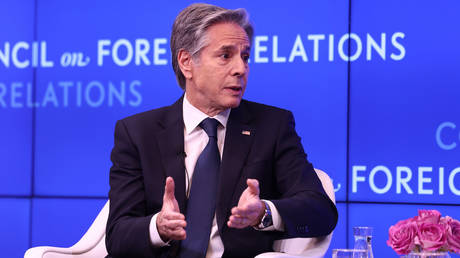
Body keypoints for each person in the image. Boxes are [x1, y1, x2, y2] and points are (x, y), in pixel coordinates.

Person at [106, 3, 338, 258]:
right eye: (225, 55)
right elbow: (117, 234)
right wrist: (158, 227)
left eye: (245, 56)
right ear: (186, 63)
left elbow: (320, 211)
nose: (241, 69)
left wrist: (263, 212)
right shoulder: (138, 133)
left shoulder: (272, 126)